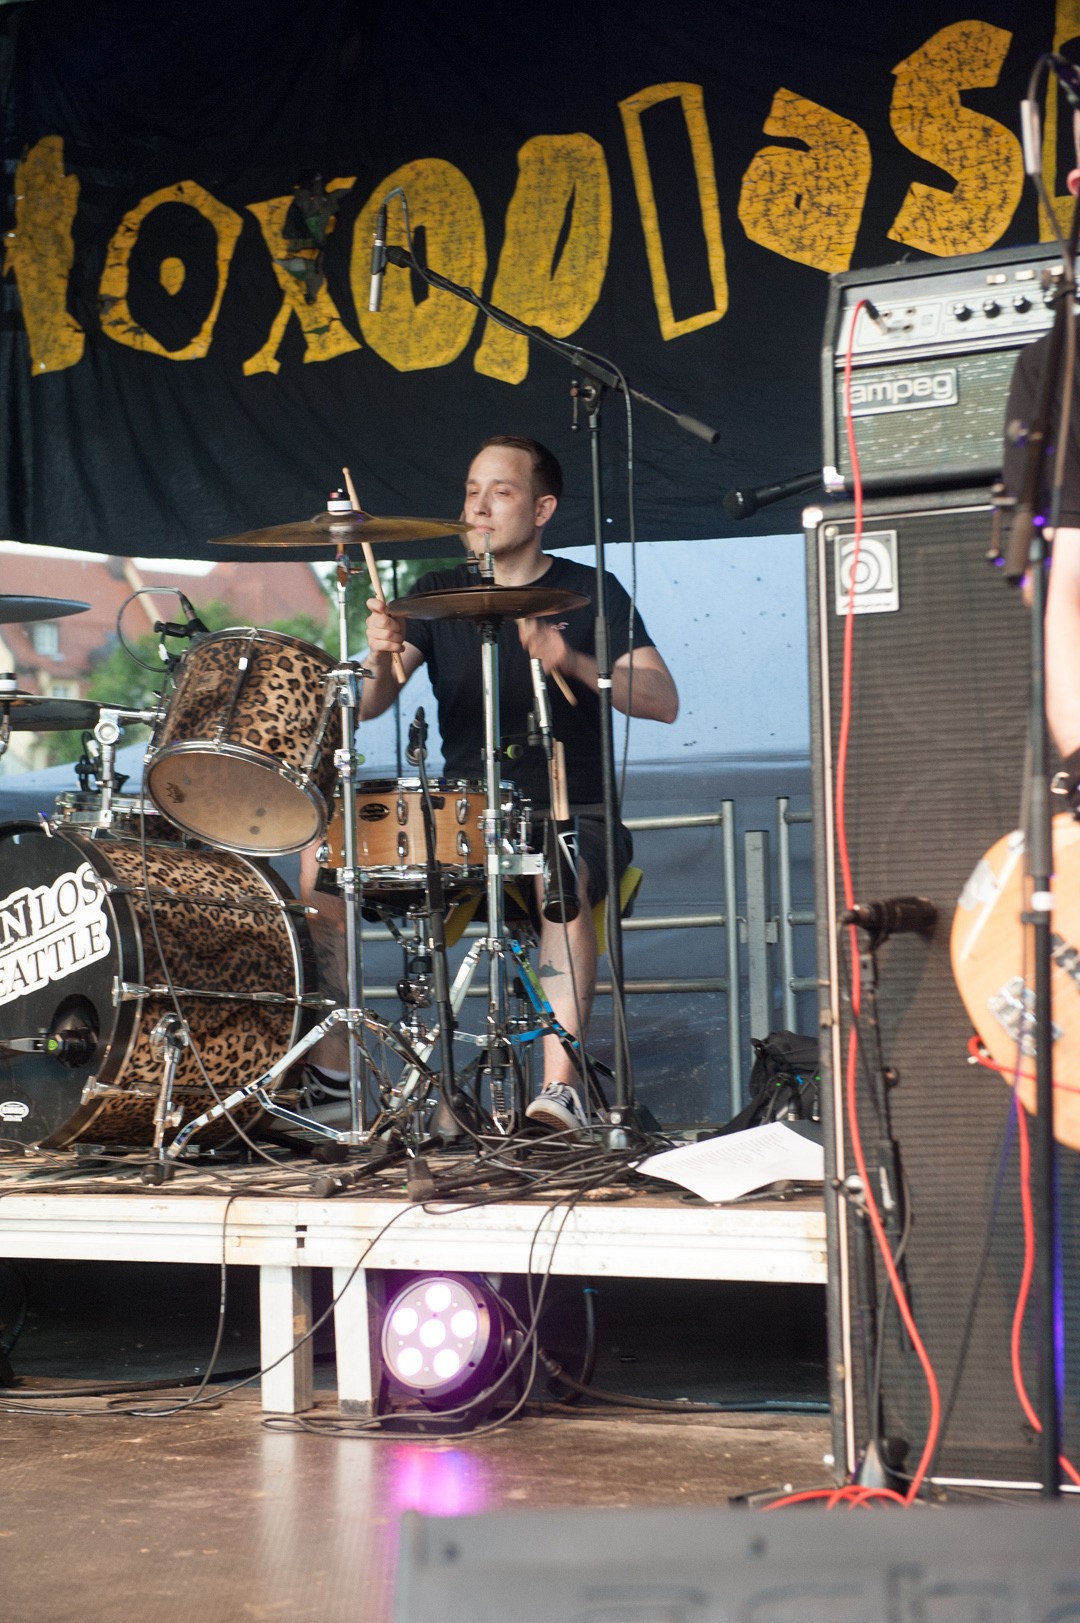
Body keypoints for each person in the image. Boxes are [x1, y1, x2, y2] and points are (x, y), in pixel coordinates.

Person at [301, 434, 678, 1131]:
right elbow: (372, 703)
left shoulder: (589, 590)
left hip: (572, 809)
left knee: (559, 864)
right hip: (462, 819)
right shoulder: (434, 594)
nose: (478, 505)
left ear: (542, 508)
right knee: (322, 862)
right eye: (472, 490)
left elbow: (662, 699)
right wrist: (381, 655)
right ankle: (330, 1080)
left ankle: (559, 1089)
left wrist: (568, 656)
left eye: (500, 491)